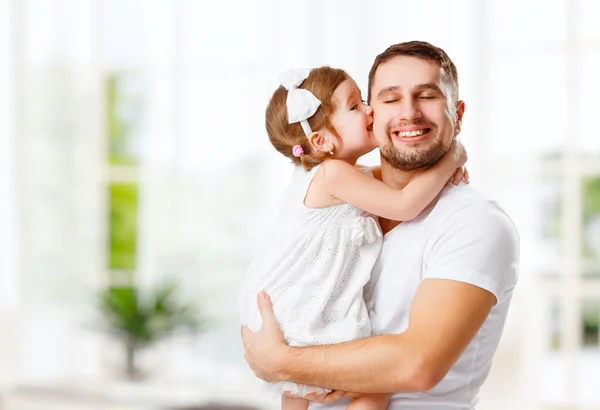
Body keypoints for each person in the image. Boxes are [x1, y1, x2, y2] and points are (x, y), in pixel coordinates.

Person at [241, 41, 520, 410]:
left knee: (375, 390)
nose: (409, 112)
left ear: (459, 114)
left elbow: (416, 366)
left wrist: (281, 363)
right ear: (373, 114)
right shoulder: (356, 202)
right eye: (389, 100)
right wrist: (451, 159)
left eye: (427, 96)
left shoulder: (475, 223)